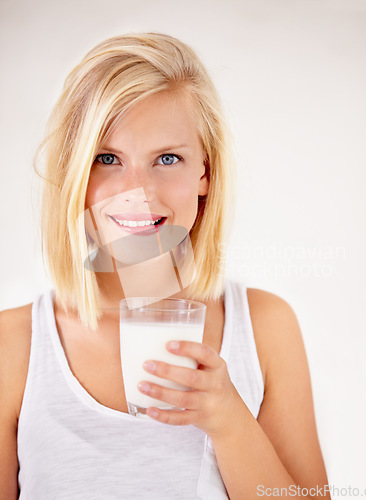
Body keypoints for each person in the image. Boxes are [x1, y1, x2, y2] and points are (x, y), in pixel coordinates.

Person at [0, 32, 330, 499]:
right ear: (73, 173)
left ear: (205, 174)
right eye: (108, 158)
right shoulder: (12, 348)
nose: (138, 191)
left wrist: (230, 422)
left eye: (167, 158)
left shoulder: (265, 328)